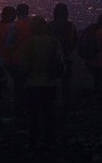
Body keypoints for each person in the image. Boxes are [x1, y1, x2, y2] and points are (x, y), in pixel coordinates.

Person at [19, 16, 63, 152]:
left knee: (33, 114)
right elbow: (59, 62)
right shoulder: (54, 42)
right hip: (50, 83)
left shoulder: (28, 43)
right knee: (49, 113)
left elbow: (24, 66)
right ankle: (49, 141)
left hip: (33, 84)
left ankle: (33, 142)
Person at [48, 3, 78, 109]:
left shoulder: (50, 25)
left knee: (52, 82)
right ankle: (65, 104)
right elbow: (75, 42)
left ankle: (52, 104)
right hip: (67, 57)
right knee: (65, 83)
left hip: (53, 59)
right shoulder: (71, 26)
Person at [6, 3, 32, 112]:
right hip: (32, 57)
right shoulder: (34, 23)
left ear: (17, 12)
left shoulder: (15, 25)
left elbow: (8, 43)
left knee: (19, 84)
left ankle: (19, 108)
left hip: (19, 59)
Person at [0, 6, 17, 111]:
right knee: (12, 85)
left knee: (1, 86)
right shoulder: (12, 27)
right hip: (10, 59)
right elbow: (10, 43)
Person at [84, 14, 102, 107]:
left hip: (90, 60)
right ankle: (101, 102)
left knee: (96, 81)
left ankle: (95, 100)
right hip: (100, 61)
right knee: (101, 82)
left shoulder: (91, 30)